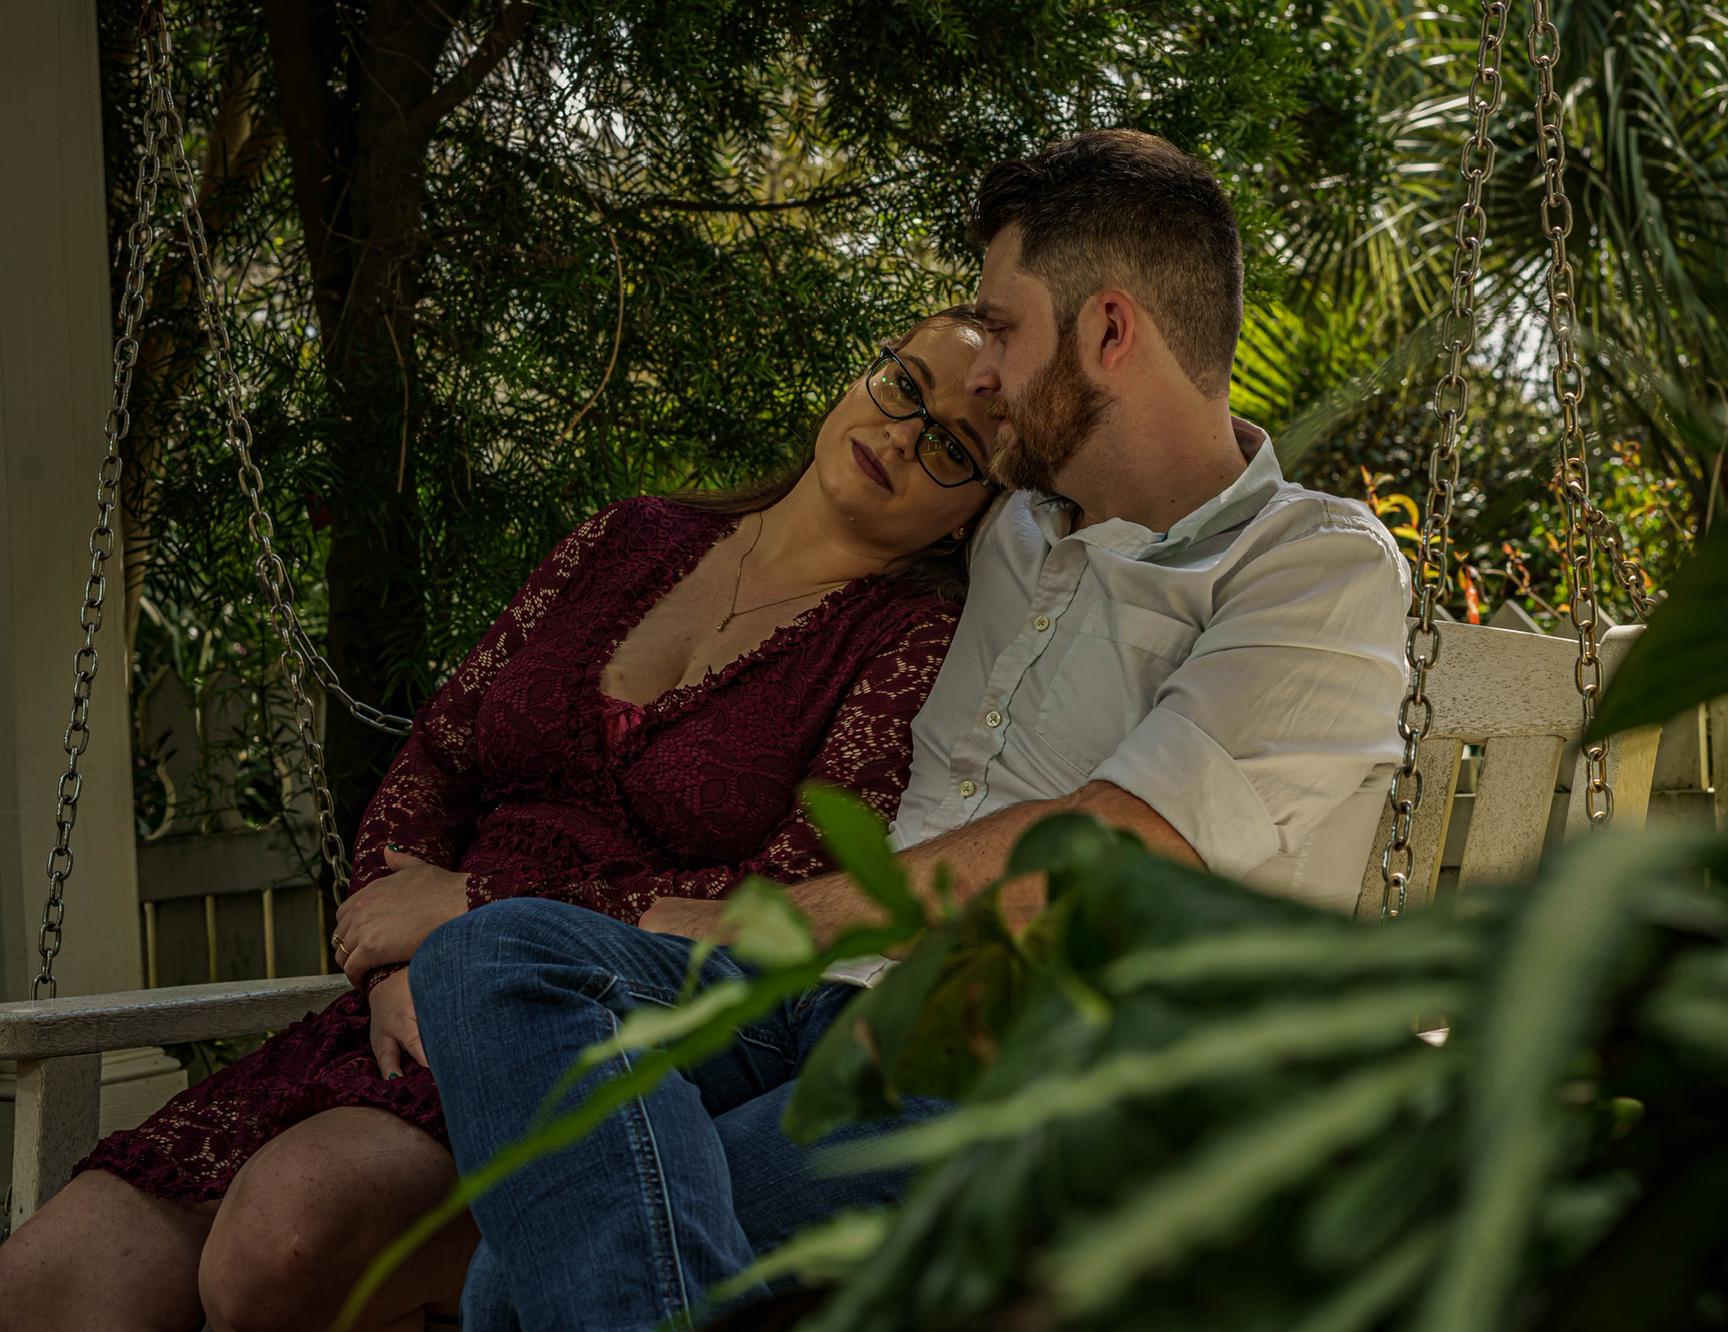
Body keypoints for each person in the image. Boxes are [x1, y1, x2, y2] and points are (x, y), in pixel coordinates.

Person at [410, 128, 1411, 1332]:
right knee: (496, 956)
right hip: (827, 1005)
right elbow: (855, 496)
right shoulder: (1011, 525)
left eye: (1001, 327)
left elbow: (1107, 855)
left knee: (514, 1285)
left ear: (1109, 331)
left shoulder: (1310, 566)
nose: (983, 372)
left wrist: (760, 922)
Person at [0, 308, 1002, 1332]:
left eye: (952, 448)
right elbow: (434, 761)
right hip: (404, 997)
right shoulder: (632, 535)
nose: (902, 437)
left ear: (973, 514)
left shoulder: (915, 640)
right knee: (47, 1279)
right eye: (903, 386)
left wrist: (474, 908)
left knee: (282, 1239)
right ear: (861, 375)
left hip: (593, 1023)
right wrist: (392, 968)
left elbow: (784, 893)